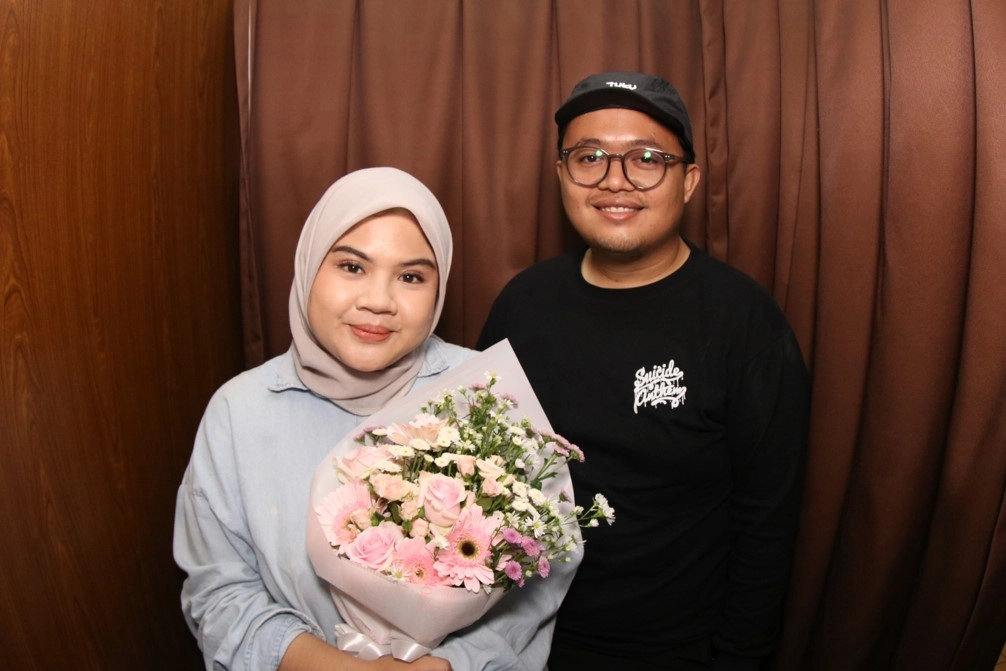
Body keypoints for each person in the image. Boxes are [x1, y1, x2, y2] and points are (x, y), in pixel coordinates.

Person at [174, 167, 578, 671]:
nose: (378, 302)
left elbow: (543, 571)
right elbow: (220, 590)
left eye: (411, 277)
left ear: (439, 289)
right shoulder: (240, 412)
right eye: (352, 267)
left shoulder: (485, 395)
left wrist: (450, 664)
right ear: (308, 266)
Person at [477, 72, 810, 670]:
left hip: (674, 649)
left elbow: (769, 518)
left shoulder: (743, 322)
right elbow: (478, 470)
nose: (615, 180)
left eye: (647, 159)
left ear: (689, 181)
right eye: (589, 157)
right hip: (513, 638)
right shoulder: (522, 304)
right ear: (561, 174)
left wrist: (740, 657)